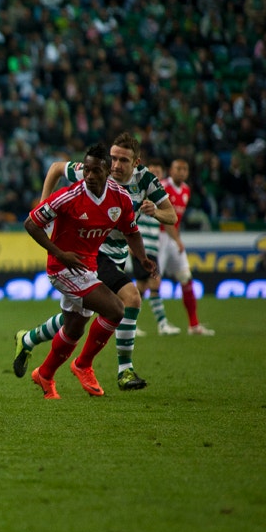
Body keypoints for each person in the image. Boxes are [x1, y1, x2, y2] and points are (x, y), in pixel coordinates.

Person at [13, 132, 176, 390]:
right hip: (90, 256)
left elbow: (171, 216)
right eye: (113, 159)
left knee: (75, 321)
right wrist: (45, 204)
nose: (116, 165)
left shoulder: (144, 180)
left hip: (113, 256)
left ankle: (32, 345)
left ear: (136, 162)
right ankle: (121, 368)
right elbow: (55, 168)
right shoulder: (92, 171)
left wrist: (154, 216)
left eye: (123, 160)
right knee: (127, 300)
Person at [158, 158, 215, 335]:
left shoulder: (186, 190)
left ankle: (193, 325)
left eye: (185, 169)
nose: (181, 172)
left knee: (185, 277)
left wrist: (176, 238)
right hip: (158, 238)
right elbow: (163, 217)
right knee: (150, 282)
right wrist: (177, 239)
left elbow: (176, 220)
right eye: (178, 168)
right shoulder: (162, 187)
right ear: (171, 170)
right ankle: (130, 323)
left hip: (174, 239)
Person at [132, 158, 182, 335]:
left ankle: (131, 324)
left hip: (152, 246)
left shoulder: (158, 197)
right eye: (152, 172)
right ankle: (160, 324)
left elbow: (168, 220)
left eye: (158, 172)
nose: (155, 175)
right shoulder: (142, 191)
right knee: (152, 283)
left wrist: (176, 239)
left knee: (145, 286)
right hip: (142, 246)